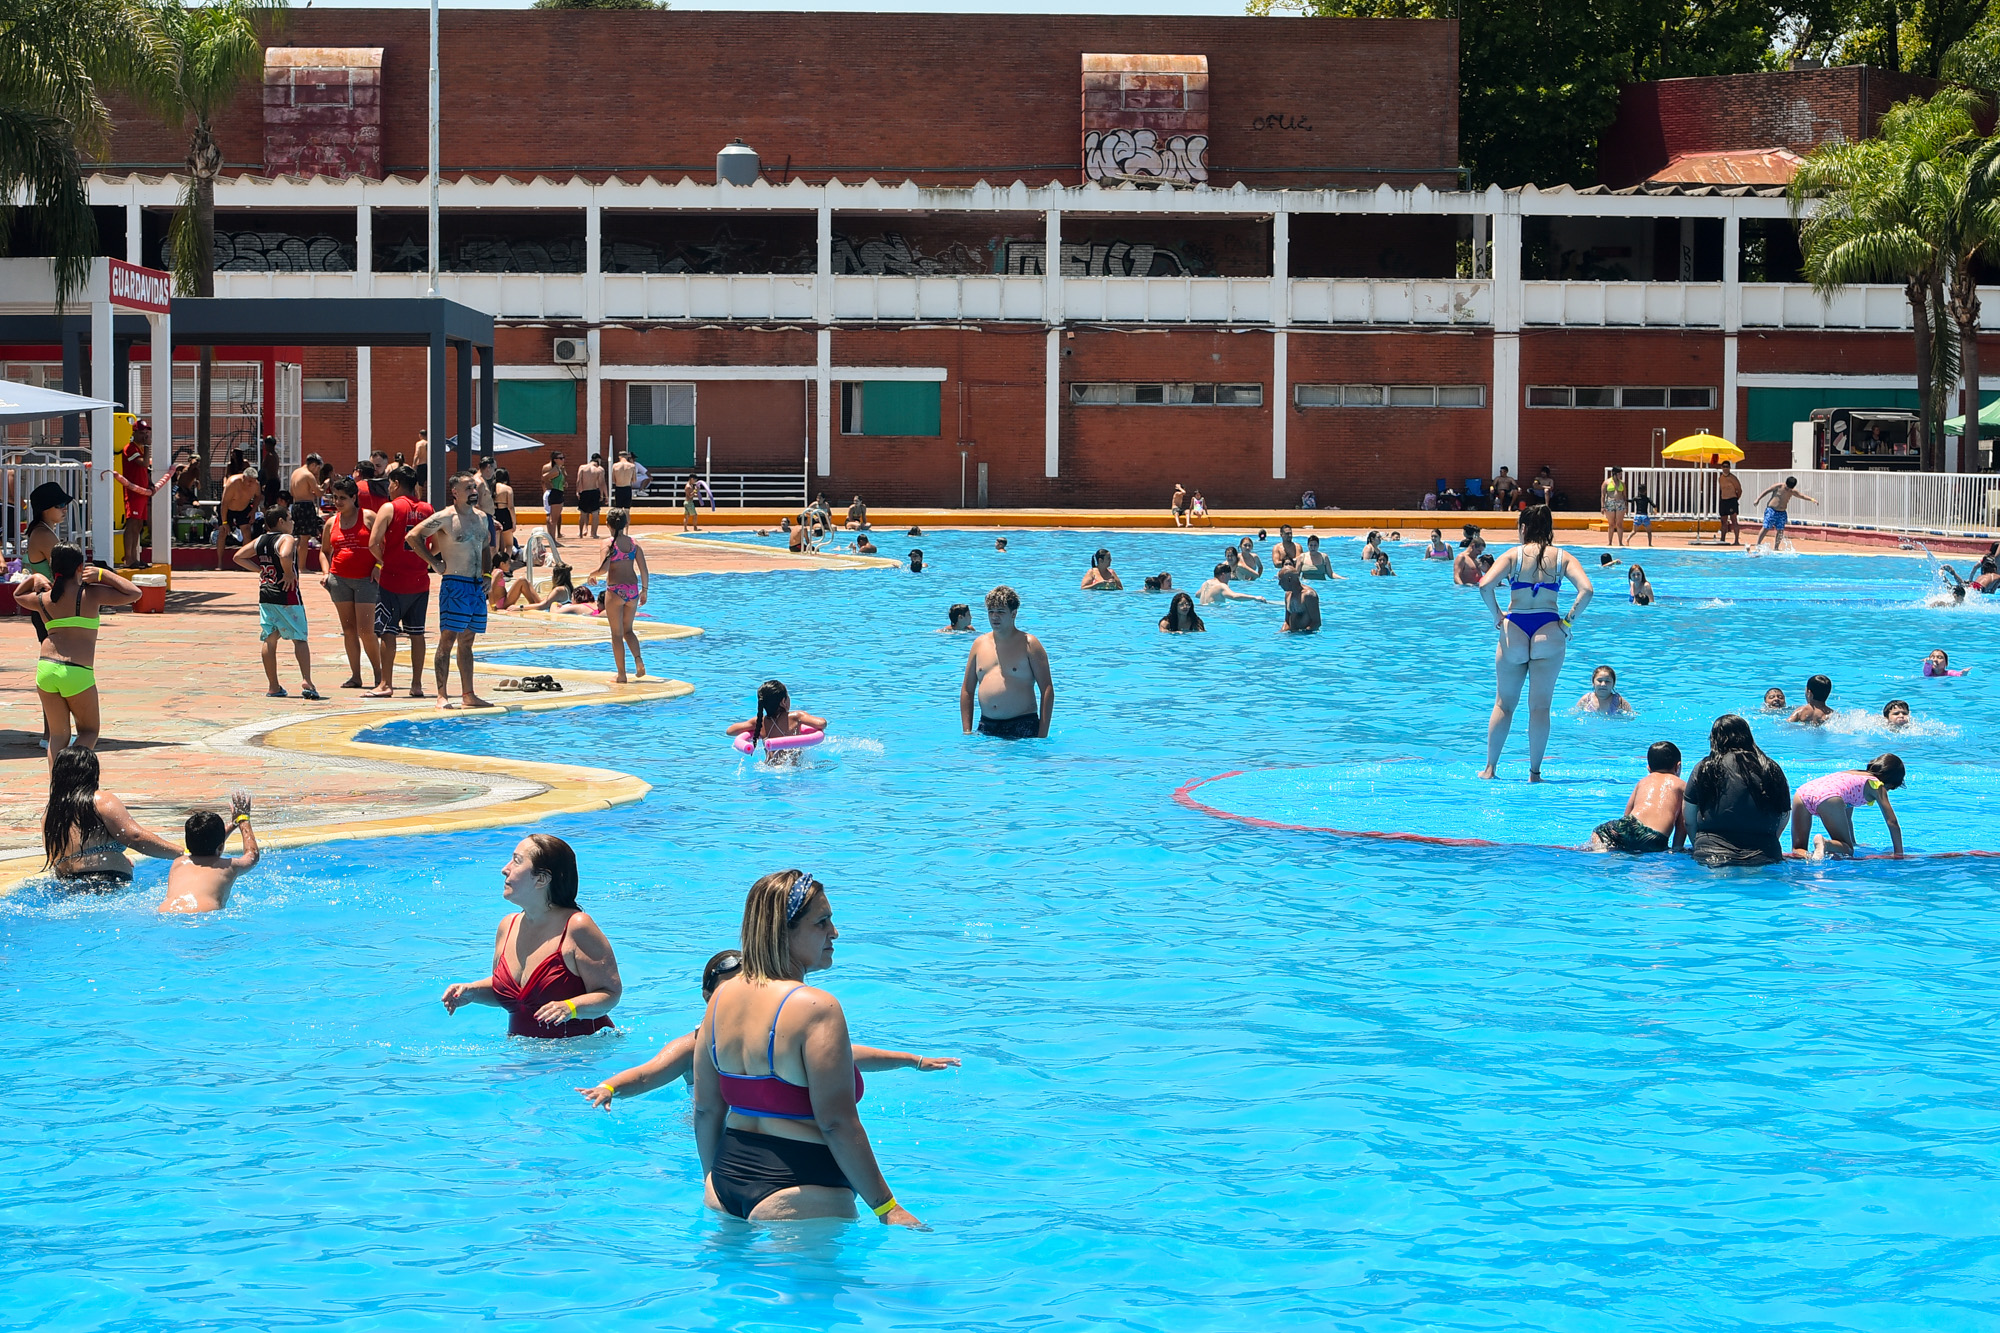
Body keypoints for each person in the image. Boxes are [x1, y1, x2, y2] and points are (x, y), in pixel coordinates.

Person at [693, 869, 925, 1227]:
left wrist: (714, 1180)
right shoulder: (816, 1007)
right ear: (783, 931)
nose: (834, 932)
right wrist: (886, 1207)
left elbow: (707, 1110)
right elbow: (836, 1123)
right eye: (822, 922)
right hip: (800, 1189)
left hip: (723, 1183)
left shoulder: (722, 997)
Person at [579, 949, 958, 1108]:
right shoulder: (694, 1046)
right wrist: (610, 1087)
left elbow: (848, 1056)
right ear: (706, 996)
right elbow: (648, 1075)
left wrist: (913, 1060)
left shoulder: (775, 1034)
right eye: (725, 993)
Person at [441, 834, 622, 1037]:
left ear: (541, 879)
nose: (505, 869)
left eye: (517, 861)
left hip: (585, 1056)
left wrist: (571, 1007)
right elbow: (515, 996)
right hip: (523, 1056)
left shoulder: (577, 927)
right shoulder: (507, 926)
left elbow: (610, 994)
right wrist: (472, 991)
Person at [1476, 505, 1595, 782]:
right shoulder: (1562, 557)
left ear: (1523, 527)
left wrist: (1497, 615)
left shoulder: (1512, 555)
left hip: (1514, 628)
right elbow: (1587, 590)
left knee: (1504, 705)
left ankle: (1490, 769)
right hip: (1548, 630)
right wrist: (1567, 622)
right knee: (1540, 708)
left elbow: (1484, 586)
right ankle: (1535, 773)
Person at [14, 546, 142, 767]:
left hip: (46, 670)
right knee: (89, 731)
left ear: (54, 569)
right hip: (77, 671)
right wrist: (103, 574)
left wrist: (34, 577)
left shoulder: (43, 598)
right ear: (81, 568)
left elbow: (18, 595)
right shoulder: (90, 594)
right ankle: (69, 773)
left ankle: (56, 791)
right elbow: (135, 593)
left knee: (58, 736)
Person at [408, 471, 495, 710]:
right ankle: (442, 695)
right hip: (455, 584)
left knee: (468, 641)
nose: (473, 492)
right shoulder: (445, 517)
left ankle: (468, 694)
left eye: (474, 487)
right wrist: (433, 562)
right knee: (448, 640)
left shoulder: (481, 518)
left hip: (476, 587)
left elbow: (485, 547)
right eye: (468, 488)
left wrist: (487, 574)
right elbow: (413, 536)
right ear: (455, 492)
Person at [40, 745, 184, 884]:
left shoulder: (49, 815)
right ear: (92, 772)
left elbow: (60, 859)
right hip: (108, 879)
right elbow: (135, 837)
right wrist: (181, 853)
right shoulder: (100, 800)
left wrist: (111, 853)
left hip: (68, 885)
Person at [235, 504, 322, 700]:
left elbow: (238, 556)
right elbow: (285, 554)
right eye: (290, 519)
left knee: (269, 638)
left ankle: (273, 685)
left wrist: (260, 570)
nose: (292, 523)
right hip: (287, 595)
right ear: (281, 522)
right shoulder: (286, 538)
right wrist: (289, 572)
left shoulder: (261, 540)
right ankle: (307, 680)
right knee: (299, 637)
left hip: (266, 594)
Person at [1683, 714, 1791, 868]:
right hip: (1764, 857)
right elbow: (1784, 815)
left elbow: (1689, 820)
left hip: (1710, 855)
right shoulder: (1770, 768)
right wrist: (1767, 842)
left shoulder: (1705, 768)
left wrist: (1698, 846)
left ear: (1715, 739)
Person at [366, 465, 433, 699]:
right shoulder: (428, 509)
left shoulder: (389, 508)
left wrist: (386, 560)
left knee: (387, 632)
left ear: (395, 484)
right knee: (417, 634)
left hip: (392, 581)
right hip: (419, 581)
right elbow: (434, 543)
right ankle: (416, 684)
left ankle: (386, 683)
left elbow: (373, 543)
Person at [959, 584, 1053, 739]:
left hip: (1022, 726)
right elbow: (967, 690)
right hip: (986, 727)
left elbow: (1047, 689)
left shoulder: (1029, 644)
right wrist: (967, 731)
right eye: (991, 612)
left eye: (1001, 612)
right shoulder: (979, 644)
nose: (995, 617)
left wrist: (1042, 735)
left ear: (1013, 613)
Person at [318, 477, 383, 690]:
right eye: (335, 497)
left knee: (366, 630)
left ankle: (379, 675)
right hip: (339, 580)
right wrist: (326, 573)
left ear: (354, 497)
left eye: (342, 498)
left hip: (366, 580)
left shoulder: (369, 517)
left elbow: (386, 546)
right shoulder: (331, 522)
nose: (337, 502)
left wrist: (379, 566)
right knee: (348, 629)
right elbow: (324, 552)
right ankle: (356, 676)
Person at [157, 792, 260, 914]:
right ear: (221, 847)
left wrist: (232, 824)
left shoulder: (178, 862)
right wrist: (243, 820)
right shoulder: (229, 866)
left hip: (166, 911)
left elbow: (207, 844)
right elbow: (252, 855)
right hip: (204, 915)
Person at [1791, 755, 1906, 859]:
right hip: (1829, 797)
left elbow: (1847, 817)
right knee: (1847, 851)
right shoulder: (1877, 785)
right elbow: (1892, 822)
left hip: (1802, 792)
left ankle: (1811, 856)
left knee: (1798, 849)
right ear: (1891, 783)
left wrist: (1853, 842)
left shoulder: (1852, 774)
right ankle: (1825, 843)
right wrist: (1898, 853)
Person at [583, 508, 650, 683]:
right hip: (632, 590)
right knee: (629, 630)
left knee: (616, 634)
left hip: (615, 591)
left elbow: (604, 569)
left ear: (607, 524)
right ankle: (638, 659)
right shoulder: (634, 544)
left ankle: (621, 674)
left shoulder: (607, 544)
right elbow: (644, 569)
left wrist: (592, 574)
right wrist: (645, 590)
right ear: (626, 523)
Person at [1589, 741, 1686, 854]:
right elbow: (1683, 823)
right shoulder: (1682, 785)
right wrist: (1676, 848)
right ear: (1678, 766)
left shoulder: (1643, 782)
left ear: (1648, 768)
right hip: (1655, 838)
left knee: (1599, 832)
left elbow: (1627, 814)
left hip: (1629, 827)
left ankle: (1602, 851)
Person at [725, 679, 827, 761]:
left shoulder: (760, 722)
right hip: (792, 768)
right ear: (783, 701)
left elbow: (730, 731)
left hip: (769, 766)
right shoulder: (796, 717)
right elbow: (822, 723)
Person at [116, 421, 163, 569]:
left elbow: (144, 470)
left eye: (146, 433)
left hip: (142, 490)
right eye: (142, 433)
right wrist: (148, 445)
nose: (145, 435)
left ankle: (134, 558)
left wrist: (150, 484)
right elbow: (143, 464)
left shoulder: (140, 449)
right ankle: (128, 558)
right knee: (131, 523)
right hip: (133, 491)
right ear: (134, 433)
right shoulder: (130, 448)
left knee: (138, 525)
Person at [215, 453, 262, 560]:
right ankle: (219, 563)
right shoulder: (232, 482)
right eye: (249, 481)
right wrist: (225, 522)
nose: (251, 484)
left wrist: (253, 511)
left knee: (246, 531)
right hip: (227, 509)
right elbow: (224, 503)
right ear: (244, 477)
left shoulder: (256, 485)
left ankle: (244, 560)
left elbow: (258, 497)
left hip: (244, 508)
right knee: (222, 531)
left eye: (253, 481)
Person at [1750, 476, 1817, 551]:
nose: (1788, 489)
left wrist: (1812, 499)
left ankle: (1776, 547)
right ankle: (1758, 545)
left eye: (1790, 488)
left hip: (1782, 512)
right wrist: (1758, 499)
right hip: (1772, 510)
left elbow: (1802, 496)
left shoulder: (1792, 491)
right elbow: (1766, 491)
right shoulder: (1778, 486)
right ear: (1786, 483)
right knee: (1766, 527)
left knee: (1780, 530)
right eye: (1787, 487)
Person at [1198, 562, 1271, 606]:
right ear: (1223, 575)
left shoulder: (1206, 583)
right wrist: (1255, 598)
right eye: (1229, 575)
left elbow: (1197, 595)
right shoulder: (1221, 586)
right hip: (1215, 614)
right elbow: (1234, 596)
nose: (1230, 578)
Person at [1276, 563, 1320, 633]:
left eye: (1281, 580)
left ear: (1289, 580)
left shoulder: (1308, 595)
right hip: (1294, 636)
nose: (1279, 584)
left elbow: (1316, 622)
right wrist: (1281, 633)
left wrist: (1302, 635)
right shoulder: (1288, 595)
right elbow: (1287, 621)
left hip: (1306, 637)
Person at [575, 454, 607, 539]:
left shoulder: (582, 467)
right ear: (598, 460)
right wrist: (603, 495)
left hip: (584, 491)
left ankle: (581, 533)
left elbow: (578, 480)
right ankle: (594, 533)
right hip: (594, 491)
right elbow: (601, 483)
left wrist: (577, 491)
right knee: (595, 513)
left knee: (582, 513)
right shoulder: (599, 469)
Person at [492, 467, 518, 560]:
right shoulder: (508, 489)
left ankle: (495, 563)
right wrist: (514, 522)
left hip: (494, 513)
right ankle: (506, 563)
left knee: (495, 544)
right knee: (509, 544)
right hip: (504, 514)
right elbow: (510, 507)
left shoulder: (490, 487)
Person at [542, 451, 568, 545]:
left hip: (559, 492)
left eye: (563, 457)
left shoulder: (559, 469)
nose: (563, 460)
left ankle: (553, 539)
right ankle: (552, 540)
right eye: (561, 458)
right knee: (553, 519)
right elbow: (544, 477)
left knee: (555, 518)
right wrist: (549, 483)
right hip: (555, 493)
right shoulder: (555, 470)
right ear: (555, 460)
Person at [1716, 460, 1743, 545]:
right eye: (1723, 466)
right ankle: (1722, 539)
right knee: (1723, 521)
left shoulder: (1733, 478)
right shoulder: (1720, 478)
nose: (1725, 468)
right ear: (1721, 468)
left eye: (1727, 466)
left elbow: (1739, 490)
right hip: (1723, 501)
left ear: (1729, 468)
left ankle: (1736, 541)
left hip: (1732, 500)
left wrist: (1735, 499)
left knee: (1734, 520)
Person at [1600, 466, 1627, 547]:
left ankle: (1620, 542)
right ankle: (1610, 542)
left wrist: (1626, 505)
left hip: (1620, 502)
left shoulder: (1622, 483)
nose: (1620, 475)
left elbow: (1624, 495)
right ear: (1614, 473)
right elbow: (1603, 495)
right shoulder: (1607, 482)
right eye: (1619, 473)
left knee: (1619, 523)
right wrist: (1602, 506)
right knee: (1611, 524)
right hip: (1610, 503)